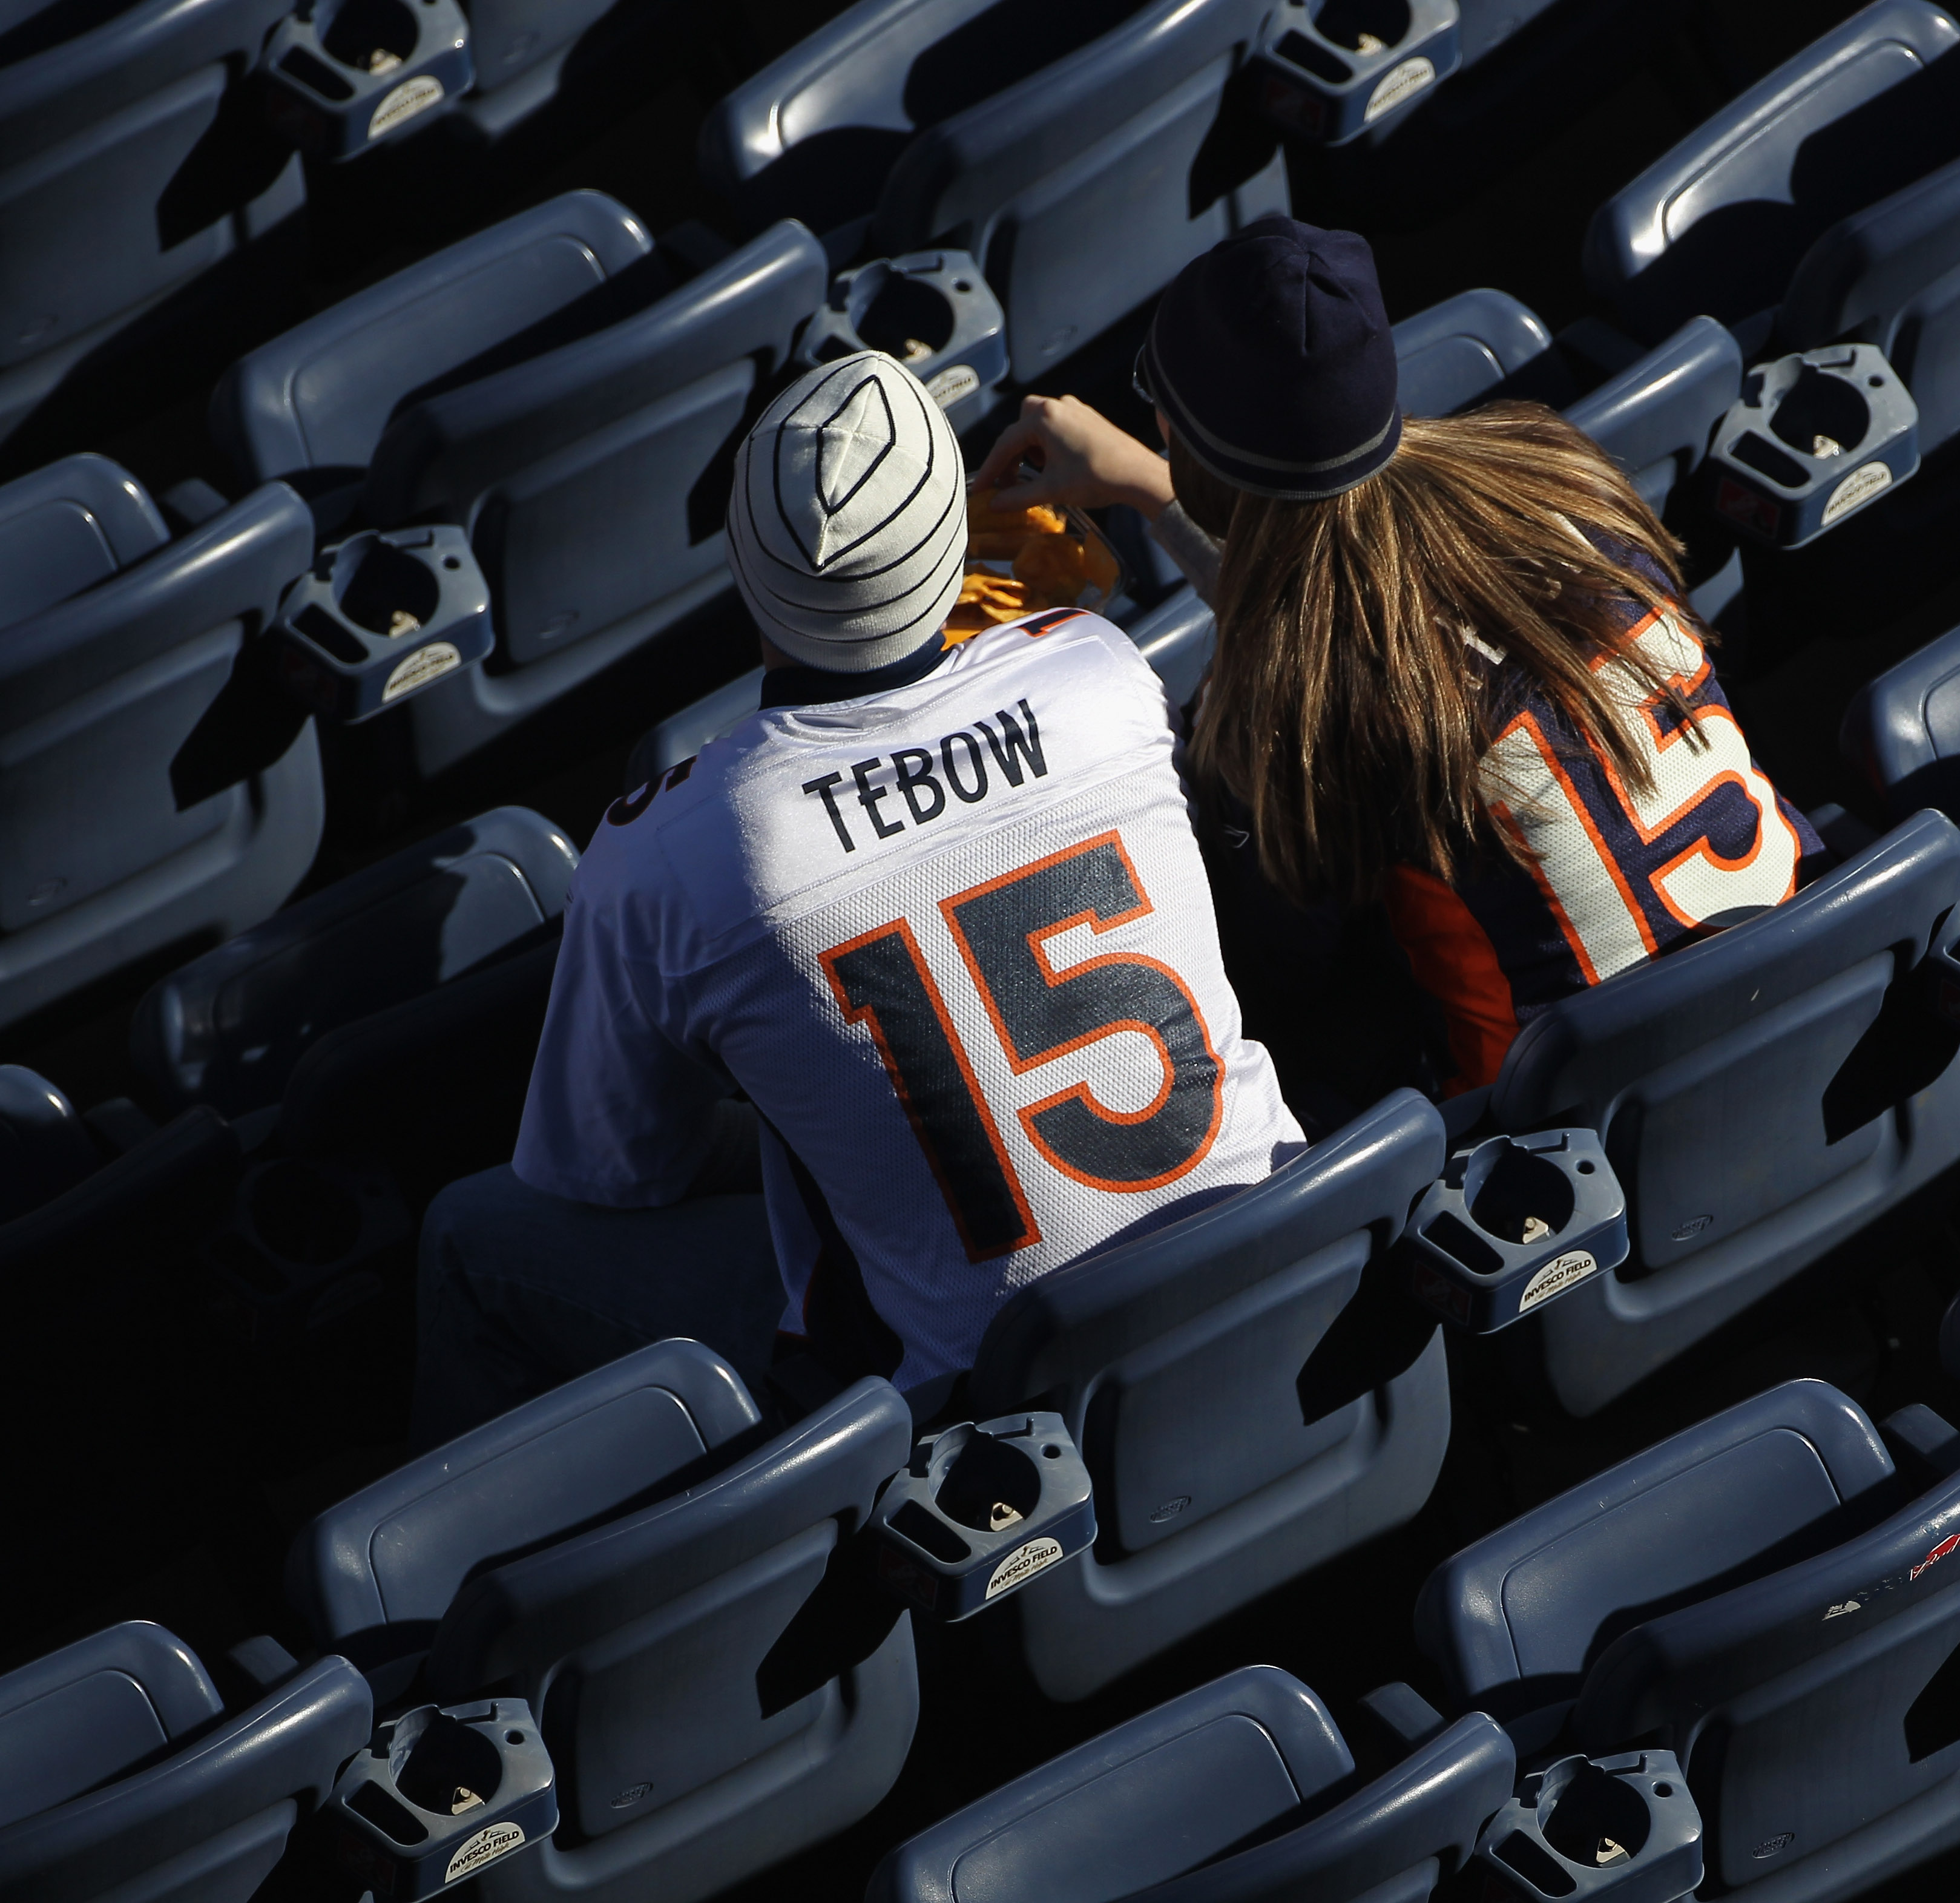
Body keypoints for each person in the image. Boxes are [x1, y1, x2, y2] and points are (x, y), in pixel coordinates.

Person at [412, 350, 1303, 1443]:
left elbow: (616, 1169)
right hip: (1280, 1271)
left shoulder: (668, 853)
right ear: (957, 539)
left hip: (978, 1417)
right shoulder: (1101, 671)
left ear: (746, 571)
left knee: (470, 1229)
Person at [980, 217, 1821, 1099]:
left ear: (1186, 436)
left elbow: (1281, 976)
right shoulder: (1556, 472)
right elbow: (1383, 633)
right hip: (1803, 964)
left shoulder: (1287, 714)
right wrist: (1153, 487)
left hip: (1575, 1108)